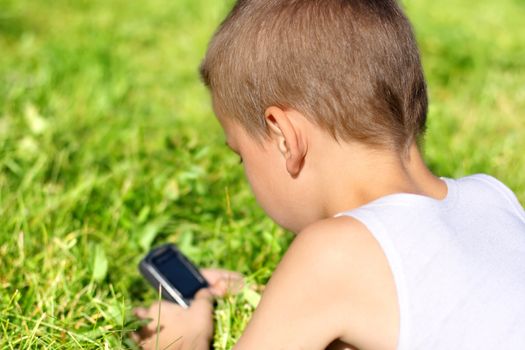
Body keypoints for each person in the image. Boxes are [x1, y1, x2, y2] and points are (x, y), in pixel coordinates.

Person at [134, 0, 525, 349]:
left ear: (285, 137)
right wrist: (269, 296)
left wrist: (183, 341)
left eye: (241, 156)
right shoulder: (492, 195)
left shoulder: (331, 254)